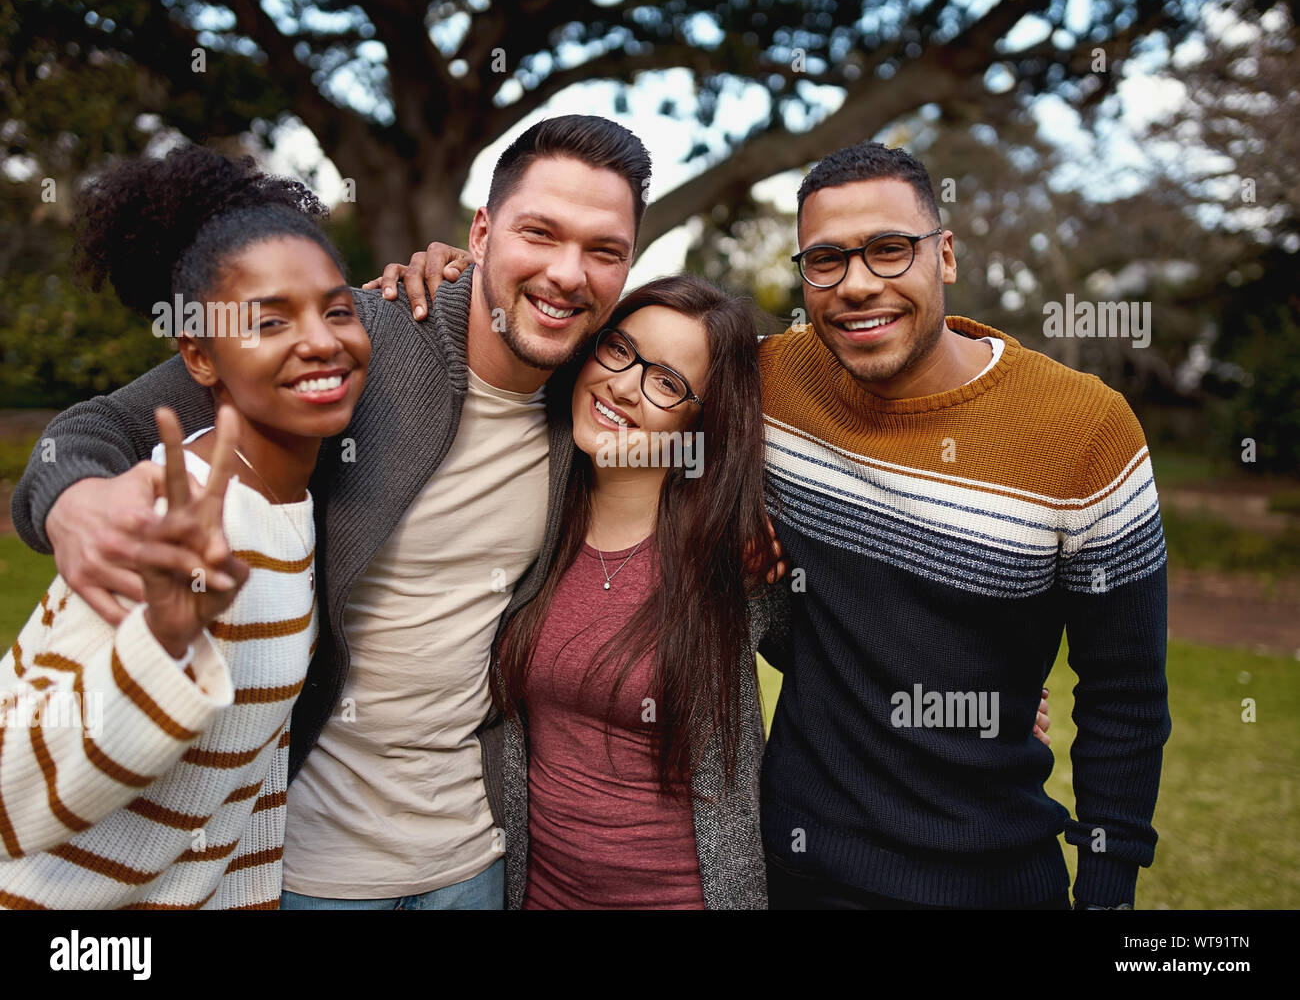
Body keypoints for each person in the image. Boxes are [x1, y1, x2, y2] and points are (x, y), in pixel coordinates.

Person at [371, 139, 1161, 912]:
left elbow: (1125, 695)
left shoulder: (1083, 426)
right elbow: (620, 346)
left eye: (889, 250)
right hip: (804, 868)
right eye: (825, 260)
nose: (857, 284)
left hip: (993, 875)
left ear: (944, 254)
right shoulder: (770, 378)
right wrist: (454, 278)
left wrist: (1105, 883)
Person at [10, 115, 651, 910]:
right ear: (482, 231)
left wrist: (750, 526)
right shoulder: (359, 332)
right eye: (540, 233)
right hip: (309, 865)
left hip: (473, 860)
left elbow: (716, 388)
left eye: (604, 250)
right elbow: (92, 429)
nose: (566, 273)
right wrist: (75, 503)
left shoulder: (601, 397)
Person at [0, 144, 369, 908]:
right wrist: (160, 645)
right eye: (270, 320)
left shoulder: (292, 510)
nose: (323, 339)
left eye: (337, 308)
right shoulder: (165, 516)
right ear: (198, 356)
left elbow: (240, 799)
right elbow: (10, 790)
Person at [492, 275, 777, 909]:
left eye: (668, 383)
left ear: (704, 417)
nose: (624, 386)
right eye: (619, 349)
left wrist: (1000, 701)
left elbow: (858, 640)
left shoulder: (738, 557)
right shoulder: (528, 506)